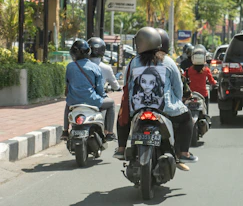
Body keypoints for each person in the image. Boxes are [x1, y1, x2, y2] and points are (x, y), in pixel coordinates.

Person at [115, 27, 197, 171]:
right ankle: (184, 152)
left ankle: (121, 148)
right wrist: (176, 101)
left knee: (122, 116)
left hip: (137, 108)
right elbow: (178, 87)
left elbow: (127, 84)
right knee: (186, 118)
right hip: (164, 109)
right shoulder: (168, 61)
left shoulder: (133, 62)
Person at [61, 40, 116, 141]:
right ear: (88, 52)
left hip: (74, 101)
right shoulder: (95, 67)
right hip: (92, 100)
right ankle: (109, 132)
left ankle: (65, 131)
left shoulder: (70, 67)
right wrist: (103, 96)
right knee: (111, 103)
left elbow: (67, 85)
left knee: (67, 105)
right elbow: (100, 89)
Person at [185, 45, 217, 111]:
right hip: (203, 95)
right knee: (206, 112)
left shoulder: (189, 70)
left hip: (192, 95)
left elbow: (183, 79)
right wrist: (215, 83)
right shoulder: (206, 70)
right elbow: (212, 81)